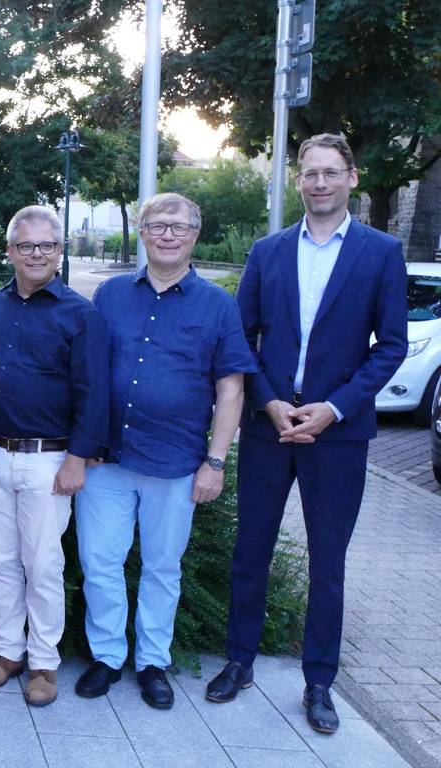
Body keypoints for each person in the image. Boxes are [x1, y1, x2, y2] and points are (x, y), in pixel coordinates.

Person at [207, 134, 408, 735]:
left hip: (337, 436)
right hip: (268, 428)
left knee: (328, 563)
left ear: (351, 176)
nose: (319, 183)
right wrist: (267, 401)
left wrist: (336, 408)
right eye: (309, 173)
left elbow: (390, 346)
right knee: (251, 552)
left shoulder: (381, 252)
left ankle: (319, 681)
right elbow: (241, 339)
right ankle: (239, 662)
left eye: (330, 173)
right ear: (298, 180)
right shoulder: (267, 251)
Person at [74, 193, 257, 709]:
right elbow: (87, 372)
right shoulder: (110, 294)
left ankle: (152, 662)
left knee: (161, 568)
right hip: (107, 459)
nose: (168, 235)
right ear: (142, 232)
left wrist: (215, 462)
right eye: (157, 226)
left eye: (178, 227)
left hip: (176, 463)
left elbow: (231, 390)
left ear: (195, 234)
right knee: (100, 562)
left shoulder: (217, 305)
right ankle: (107, 656)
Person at [0, 204, 108, 707]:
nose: (36, 254)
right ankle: (7, 652)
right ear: (10, 251)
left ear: (59, 250)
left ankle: (44, 662)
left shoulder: (80, 314)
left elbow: (94, 391)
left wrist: (78, 457)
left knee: (44, 564)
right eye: (25, 245)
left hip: (49, 459)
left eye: (46, 245)